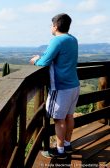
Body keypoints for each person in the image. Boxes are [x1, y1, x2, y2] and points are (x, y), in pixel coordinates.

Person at [29, 13, 80, 159]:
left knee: (59, 119)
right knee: (69, 116)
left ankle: (60, 151)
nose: (51, 28)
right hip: (74, 85)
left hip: (61, 87)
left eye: (52, 25)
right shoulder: (73, 39)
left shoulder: (56, 40)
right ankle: (67, 145)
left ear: (56, 26)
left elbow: (44, 62)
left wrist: (35, 61)